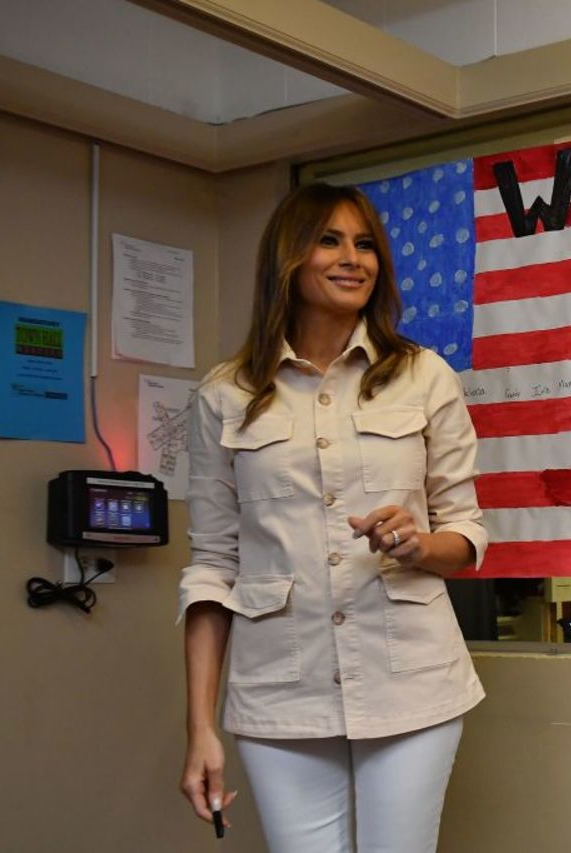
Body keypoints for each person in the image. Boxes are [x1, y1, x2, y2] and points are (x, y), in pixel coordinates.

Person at [176, 183, 487, 853]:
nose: (353, 258)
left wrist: (417, 543)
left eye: (366, 243)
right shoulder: (223, 395)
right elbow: (211, 567)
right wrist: (200, 725)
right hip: (279, 689)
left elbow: (465, 536)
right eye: (331, 240)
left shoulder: (425, 377)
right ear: (288, 257)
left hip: (411, 678)